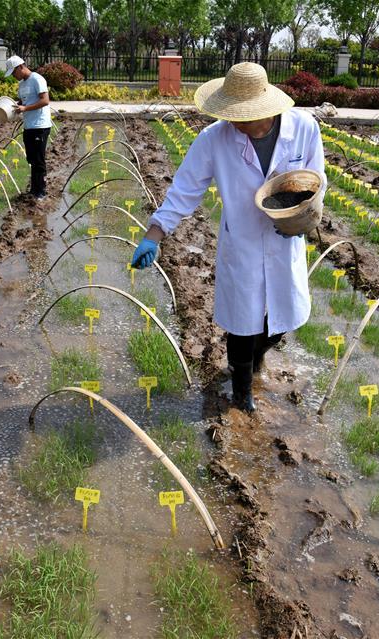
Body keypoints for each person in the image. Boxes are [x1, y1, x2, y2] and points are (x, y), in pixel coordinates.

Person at [130, 62, 326, 413]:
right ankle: (241, 391)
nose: (234, 121)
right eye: (230, 114)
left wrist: (302, 217)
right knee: (242, 322)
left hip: (285, 239)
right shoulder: (214, 139)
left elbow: (316, 181)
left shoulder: (303, 129)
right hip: (243, 243)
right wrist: (154, 235)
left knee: (281, 320)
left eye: (241, 115)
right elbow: (184, 192)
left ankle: (256, 358)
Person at [4, 55, 52, 198]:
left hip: (40, 125)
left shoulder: (37, 79)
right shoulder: (22, 84)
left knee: (38, 159)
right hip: (29, 126)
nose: (13, 76)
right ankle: (34, 190)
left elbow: (45, 101)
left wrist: (25, 109)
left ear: (21, 67)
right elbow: (23, 101)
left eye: (14, 73)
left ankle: (41, 192)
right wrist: (15, 106)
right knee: (31, 159)